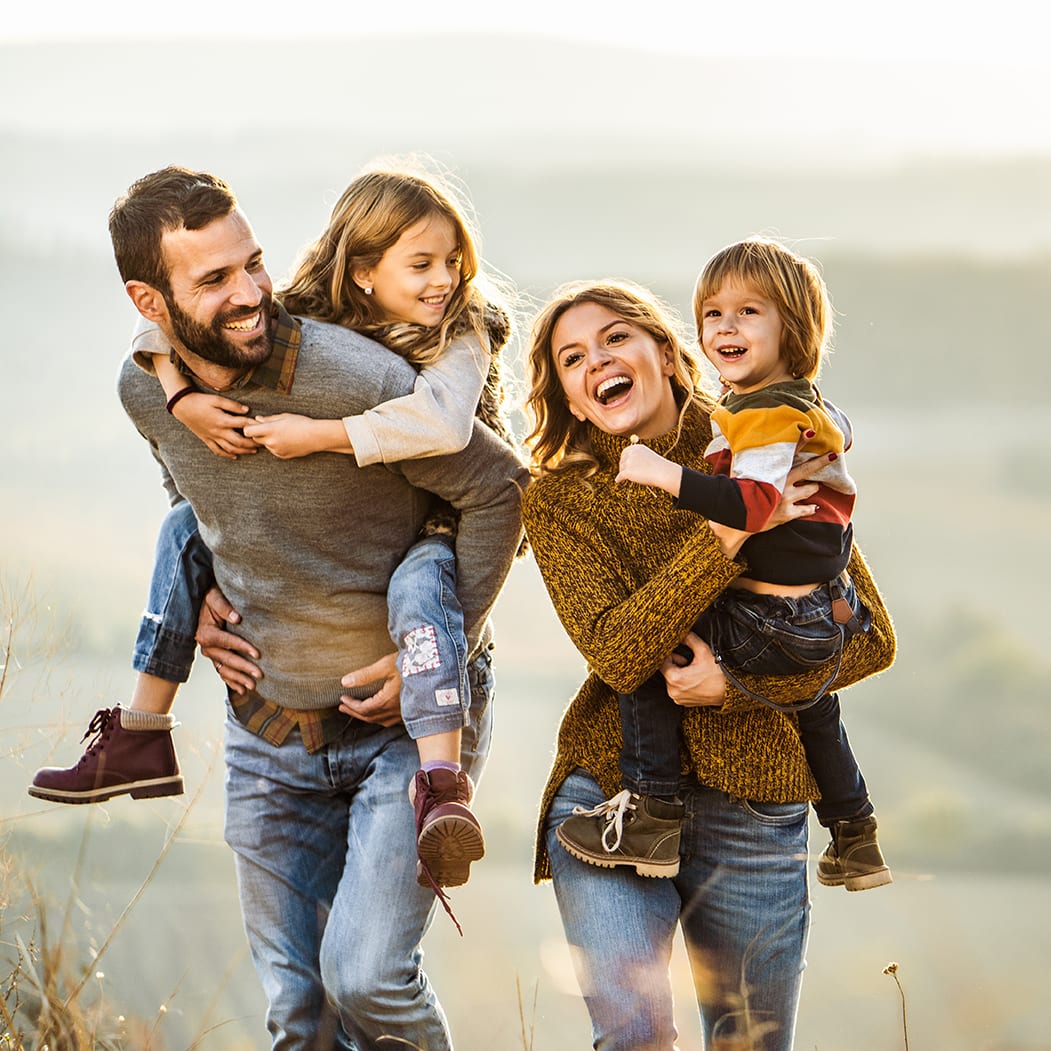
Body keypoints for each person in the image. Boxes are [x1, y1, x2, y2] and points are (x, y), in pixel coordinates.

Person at [72, 166, 526, 1049]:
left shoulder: (360, 376)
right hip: (266, 737)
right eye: (213, 280)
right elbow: (193, 497)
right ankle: (136, 731)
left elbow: (499, 485)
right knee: (301, 1014)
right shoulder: (147, 391)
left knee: (369, 981)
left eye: (254, 264)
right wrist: (201, 601)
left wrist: (438, 650)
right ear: (149, 300)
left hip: (403, 733)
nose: (249, 294)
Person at [521, 279, 896, 1050]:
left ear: (663, 350)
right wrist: (725, 534)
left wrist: (735, 685)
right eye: (571, 358)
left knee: (748, 1041)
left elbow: (867, 636)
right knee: (633, 1032)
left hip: (757, 806)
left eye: (614, 339)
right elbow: (620, 651)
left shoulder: (762, 433)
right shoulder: (559, 498)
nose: (597, 362)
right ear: (565, 392)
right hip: (612, 796)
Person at [556, 238, 891, 894]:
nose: (725, 326)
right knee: (818, 709)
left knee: (655, 642)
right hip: (822, 613)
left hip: (775, 617)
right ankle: (854, 833)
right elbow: (832, 440)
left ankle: (651, 810)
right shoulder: (794, 405)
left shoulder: (765, 414)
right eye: (712, 313)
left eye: (747, 312)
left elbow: (754, 504)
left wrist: (666, 474)